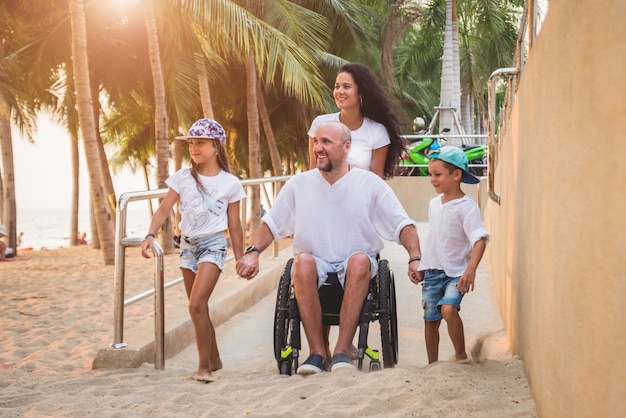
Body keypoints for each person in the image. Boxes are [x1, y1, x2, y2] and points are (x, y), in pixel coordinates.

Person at [237, 121, 422, 374]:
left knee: (359, 260)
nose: (318, 148)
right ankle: (317, 353)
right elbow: (271, 224)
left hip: (356, 264)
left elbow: (403, 225)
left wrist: (415, 257)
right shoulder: (298, 184)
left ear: (347, 147)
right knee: (301, 262)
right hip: (315, 263)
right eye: (316, 142)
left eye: (326, 142)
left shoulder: (370, 184)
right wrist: (253, 253)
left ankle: (342, 351)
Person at [141, 118, 246, 382]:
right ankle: (215, 358)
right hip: (187, 247)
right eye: (191, 143)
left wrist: (241, 257)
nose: (194, 148)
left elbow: (234, 225)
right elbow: (164, 209)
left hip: (214, 245)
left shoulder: (230, 183)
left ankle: (203, 368)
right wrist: (150, 235)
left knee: (196, 304)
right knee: (199, 307)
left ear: (216, 146)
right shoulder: (182, 177)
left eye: (200, 142)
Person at [411, 146, 489, 364]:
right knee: (430, 320)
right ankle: (432, 364)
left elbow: (479, 239)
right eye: (431, 174)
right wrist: (424, 267)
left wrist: (470, 269)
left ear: (456, 175)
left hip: (456, 274)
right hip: (433, 273)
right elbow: (435, 239)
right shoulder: (434, 204)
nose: (432, 179)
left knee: (448, 309)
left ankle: (461, 356)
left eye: (437, 175)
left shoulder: (466, 207)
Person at [307, 62, 404, 180]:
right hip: (324, 195)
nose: (339, 91)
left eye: (346, 87)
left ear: (361, 93)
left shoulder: (377, 131)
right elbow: (313, 170)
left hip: (361, 197)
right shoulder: (320, 124)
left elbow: (377, 178)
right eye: (337, 86)